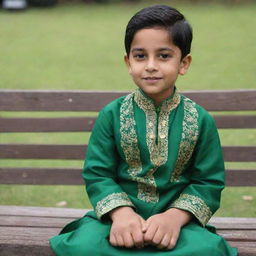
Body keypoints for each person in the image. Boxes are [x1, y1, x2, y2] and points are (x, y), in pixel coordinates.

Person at [50, 5, 237, 256]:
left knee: (205, 250)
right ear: (128, 62)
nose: (150, 66)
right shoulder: (111, 114)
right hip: (117, 221)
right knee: (84, 246)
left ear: (184, 63)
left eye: (163, 56)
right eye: (140, 56)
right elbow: (98, 174)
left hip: (178, 225)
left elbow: (209, 182)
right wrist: (122, 214)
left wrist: (174, 217)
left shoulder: (201, 120)